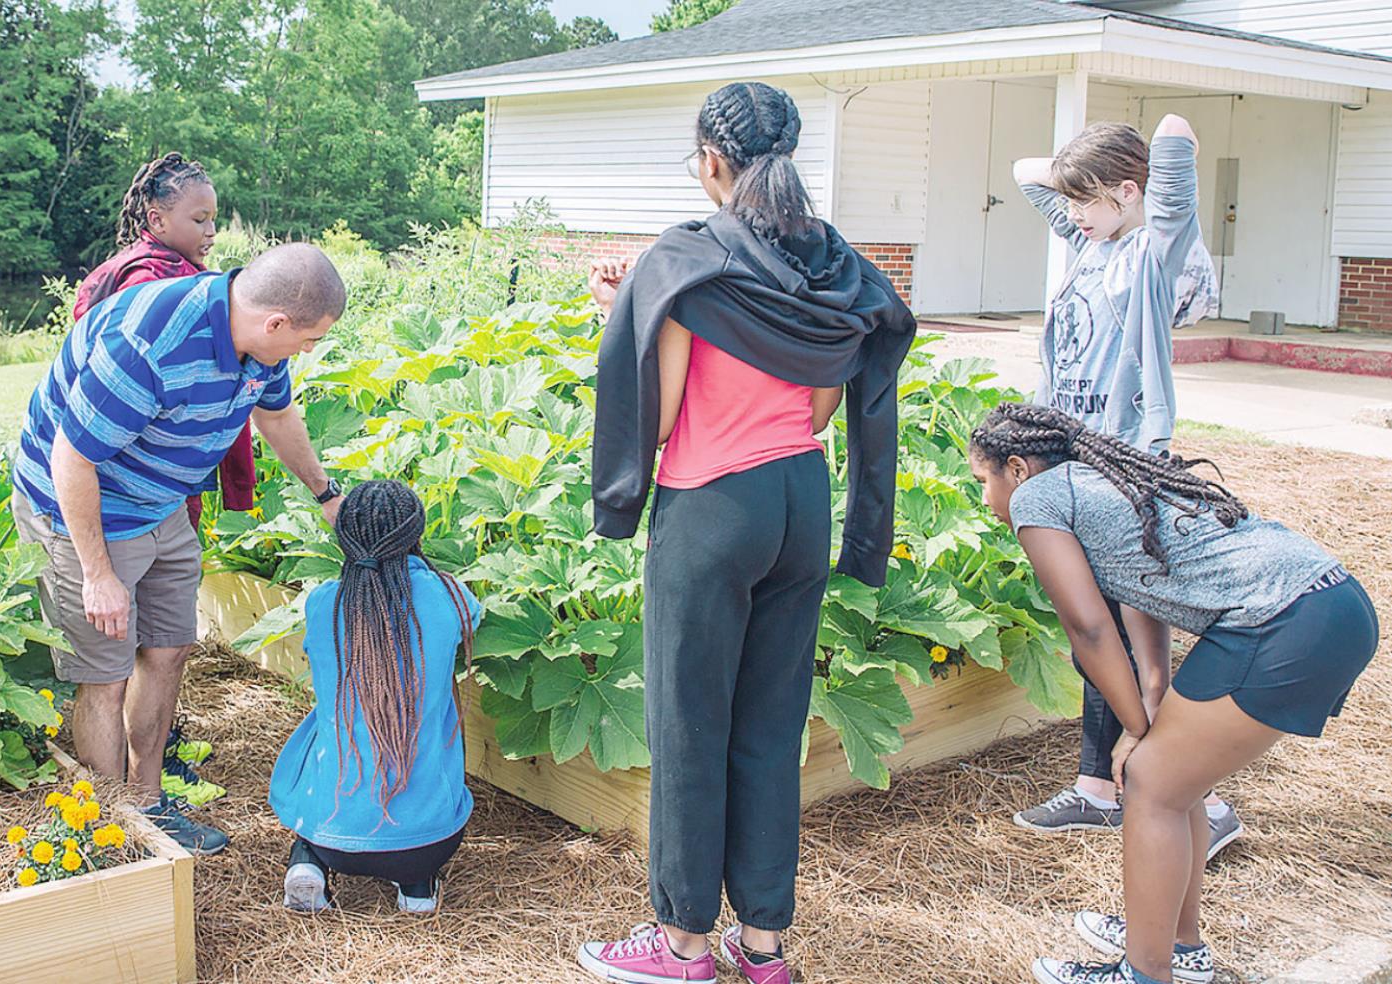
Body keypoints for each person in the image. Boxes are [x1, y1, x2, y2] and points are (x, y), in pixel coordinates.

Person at [581, 81, 916, 984]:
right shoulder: (833, 266)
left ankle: (683, 943)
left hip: (711, 509)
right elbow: (813, 405)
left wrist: (622, 315)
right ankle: (763, 945)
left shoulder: (685, 261)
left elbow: (654, 422)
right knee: (772, 724)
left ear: (711, 162)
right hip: (800, 502)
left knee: (689, 727)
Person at [965, 403, 1378, 984]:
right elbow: (1143, 582)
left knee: (1150, 784)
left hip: (1283, 620)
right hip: (1333, 600)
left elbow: (1088, 628)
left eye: (983, 481)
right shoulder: (1103, 481)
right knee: (1174, 784)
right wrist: (1152, 694)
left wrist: (1135, 732)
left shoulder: (1039, 498)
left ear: (1017, 468)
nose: (985, 499)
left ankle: (1144, 973)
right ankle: (1177, 946)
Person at [12, 243, 349, 854]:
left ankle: (147, 802)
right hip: (85, 510)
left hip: (161, 503)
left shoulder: (257, 342)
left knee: (168, 650)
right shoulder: (149, 345)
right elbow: (72, 458)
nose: (307, 353)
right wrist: (97, 574)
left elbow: (276, 416)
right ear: (275, 323)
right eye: (309, 341)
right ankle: (113, 829)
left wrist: (326, 494)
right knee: (105, 674)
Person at [1010, 117, 1241, 854]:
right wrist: (1081, 175)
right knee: (1097, 633)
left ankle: (1195, 801)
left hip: (1124, 463)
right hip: (1075, 456)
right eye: (1071, 201)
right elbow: (1026, 171)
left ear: (1128, 192)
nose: (1069, 213)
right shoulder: (1091, 241)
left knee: (1136, 646)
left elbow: (1173, 151)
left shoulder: (1153, 253)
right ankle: (1099, 788)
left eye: (1085, 200)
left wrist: (1168, 147)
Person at [268, 479, 480, 916]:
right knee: (422, 771)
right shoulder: (449, 597)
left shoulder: (324, 602)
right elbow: (470, 618)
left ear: (344, 536)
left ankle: (308, 863)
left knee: (327, 735)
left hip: (334, 841)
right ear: (416, 535)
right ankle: (416, 886)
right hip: (431, 842)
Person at [73, 151, 257, 533]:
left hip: (164, 460)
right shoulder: (147, 282)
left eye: (214, 220)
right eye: (199, 220)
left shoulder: (185, 274)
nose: (211, 232)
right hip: (140, 463)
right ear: (156, 219)